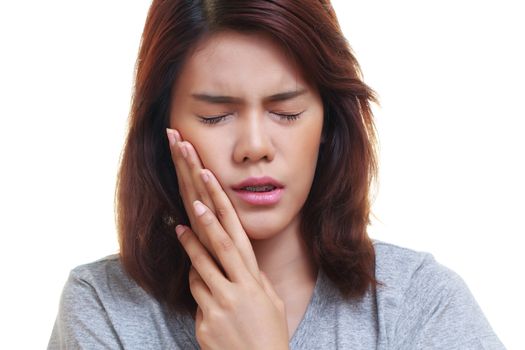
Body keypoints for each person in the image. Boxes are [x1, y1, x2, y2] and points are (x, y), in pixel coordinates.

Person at [48, 1, 505, 349]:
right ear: (162, 130)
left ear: (329, 123)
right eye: (215, 116)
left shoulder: (419, 301)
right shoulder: (104, 307)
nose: (255, 148)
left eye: (286, 111)